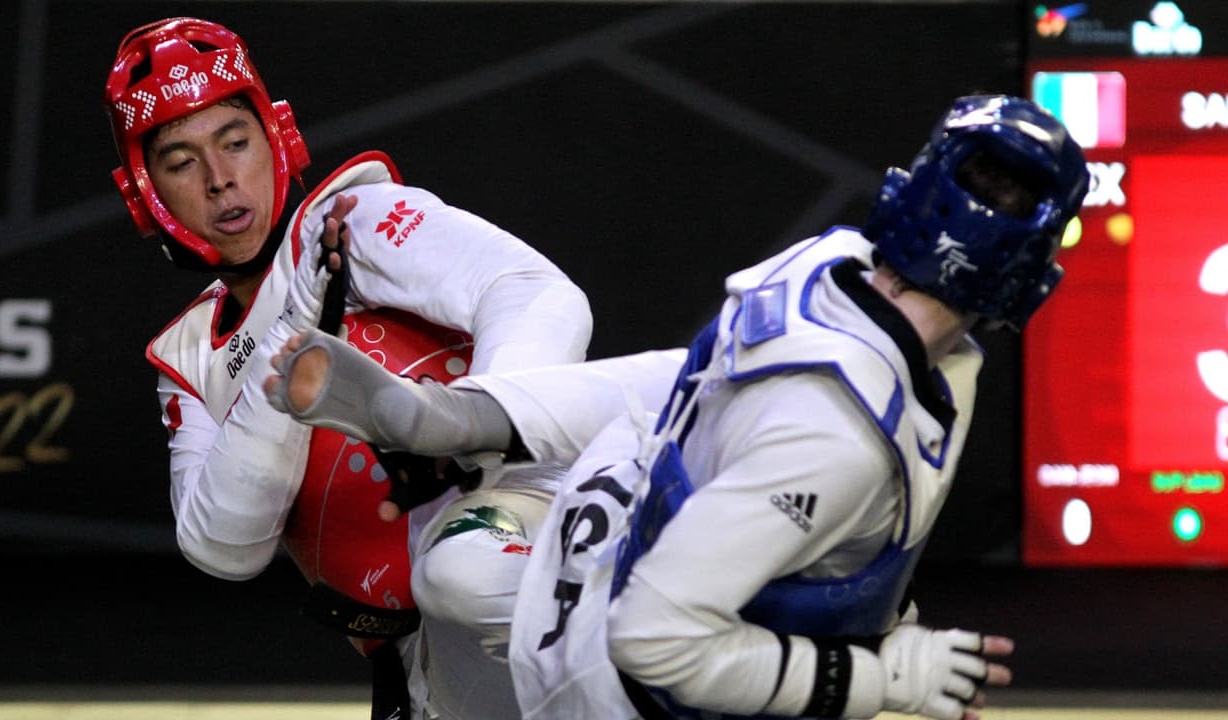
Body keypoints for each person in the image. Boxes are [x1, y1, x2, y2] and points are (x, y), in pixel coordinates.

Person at [263, 94, 1089, 720]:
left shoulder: (824, 268)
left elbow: (690, 379)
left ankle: (453, 429)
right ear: (1022, 271)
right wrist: (883, 677)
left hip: (619, 552)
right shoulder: (835, 438)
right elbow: (654, 641)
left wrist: (465, 417)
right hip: (633, 682)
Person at [103, 16, 593, 719]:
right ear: (146, 195)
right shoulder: (186, 357)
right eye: (181, 162)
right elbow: (224, 545)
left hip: (553, 555)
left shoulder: (351, 221)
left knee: (471, 570)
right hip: (423, 673)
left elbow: (540, 295)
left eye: (235, 143)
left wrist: (489, 463)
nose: (219, 180)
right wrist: (295, 329)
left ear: (277, 139)